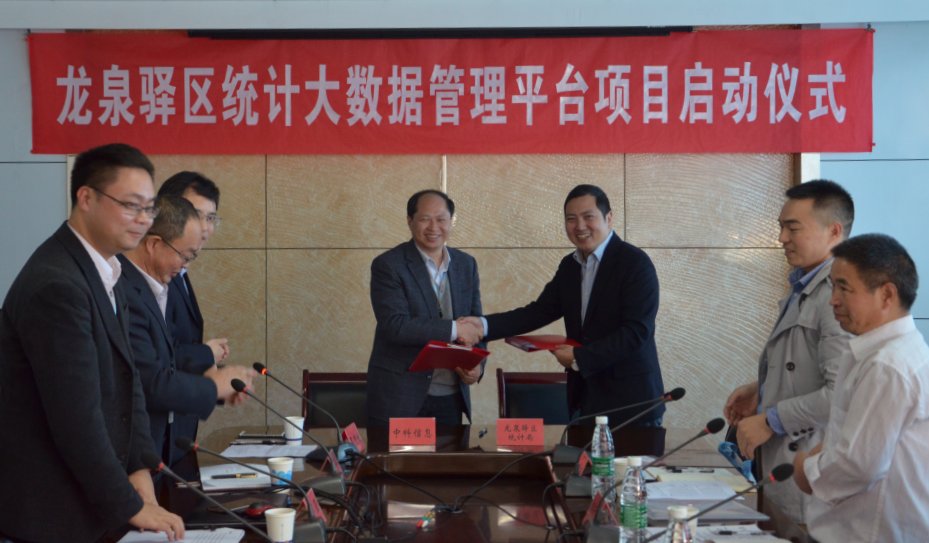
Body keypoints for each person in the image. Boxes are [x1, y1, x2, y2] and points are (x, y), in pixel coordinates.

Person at [0, 143, 184, 543]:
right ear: (86, 198)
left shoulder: (106, 271)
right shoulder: (57, 284)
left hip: (90, 507)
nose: (143, 220)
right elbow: (76, 419)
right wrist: (130, 505)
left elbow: (129, 382)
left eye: (149, 208)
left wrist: (139, 467)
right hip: (53, 515)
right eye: (131, 205)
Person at [461, 184, 665, 426]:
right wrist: (482, 326)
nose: (580, 226)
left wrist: (579, 357)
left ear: (608, 218)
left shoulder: (635, 263)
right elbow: (538, 312)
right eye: (571, 219)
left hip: (632, 404)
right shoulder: (570, 266)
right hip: (585, 400)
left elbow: (636, 332)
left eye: (588, 216)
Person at [723, 180, 853, 523]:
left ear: (834, 231)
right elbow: (806, 366)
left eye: (793, 228)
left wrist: (771, 419)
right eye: (781, 226)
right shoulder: (804, 283)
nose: (781, 237)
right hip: (784, 466)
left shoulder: (840, 294)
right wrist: (764, 389)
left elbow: (842, 393)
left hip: (812, 469)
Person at [793, 234, 929, 543]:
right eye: (833, 287)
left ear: (886, 295)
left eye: (844, 288)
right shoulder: (895, 352)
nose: (833, 300)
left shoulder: (888, 366)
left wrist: (806, 470)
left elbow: (857, 466)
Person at [118, 195, 254, 466]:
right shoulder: (123, 291)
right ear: (154, 244)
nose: (186, 265)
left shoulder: (155, 286)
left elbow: (166, 363)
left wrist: (217, 383)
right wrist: (213, 386)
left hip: (156, 450)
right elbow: (150, 382)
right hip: (131, 457)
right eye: (184, 255)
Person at [366, 190, 485, 425]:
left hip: (451, 395)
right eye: (424, 219)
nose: (434, 227)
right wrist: (454, 329)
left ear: (450, 222)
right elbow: (396, 326)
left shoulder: (466, 264)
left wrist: (477, 366)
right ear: (410, 221)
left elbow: (476, 324)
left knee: (450, 451)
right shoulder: (389, 265)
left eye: (441, 219)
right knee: (400, 453)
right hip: (401, 395)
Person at [157, 171, 229, 464]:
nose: (205, 227)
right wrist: (207, 354)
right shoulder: (156, 277)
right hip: (155, 438)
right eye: (197, 215)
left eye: (211, 218)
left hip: (179, 432)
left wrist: (217, 381)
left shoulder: (180, 272)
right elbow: (160, 357)